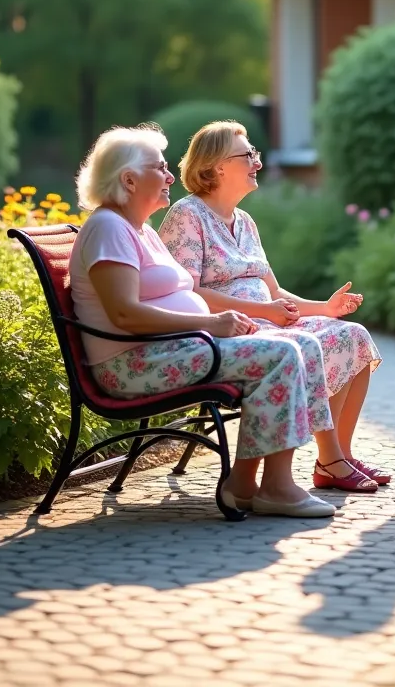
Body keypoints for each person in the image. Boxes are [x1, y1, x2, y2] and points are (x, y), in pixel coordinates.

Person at [69, 124, 340, 518]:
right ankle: (272, 487)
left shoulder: (137, 229)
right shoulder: (109, 227)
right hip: (131, 364)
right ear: (128, 179)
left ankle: (249, 484)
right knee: (282, 352)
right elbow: (123, 313)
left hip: (170, 350)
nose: (168, 177)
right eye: (159, 168)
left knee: (300, 344)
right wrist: (212, 325)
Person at [159, 121, 386, 494]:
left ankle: (338, 456)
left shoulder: (245, 222)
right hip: (229, 328)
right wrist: (265, 313)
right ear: (216, 165)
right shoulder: (188, 215)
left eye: (255, 155)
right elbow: (190, 291)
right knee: (303, 345)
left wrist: (325, 309)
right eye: (248, 155)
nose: (257, 163)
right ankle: (331, 461)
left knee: (351, 336)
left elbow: (273, 291)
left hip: (267, 322)